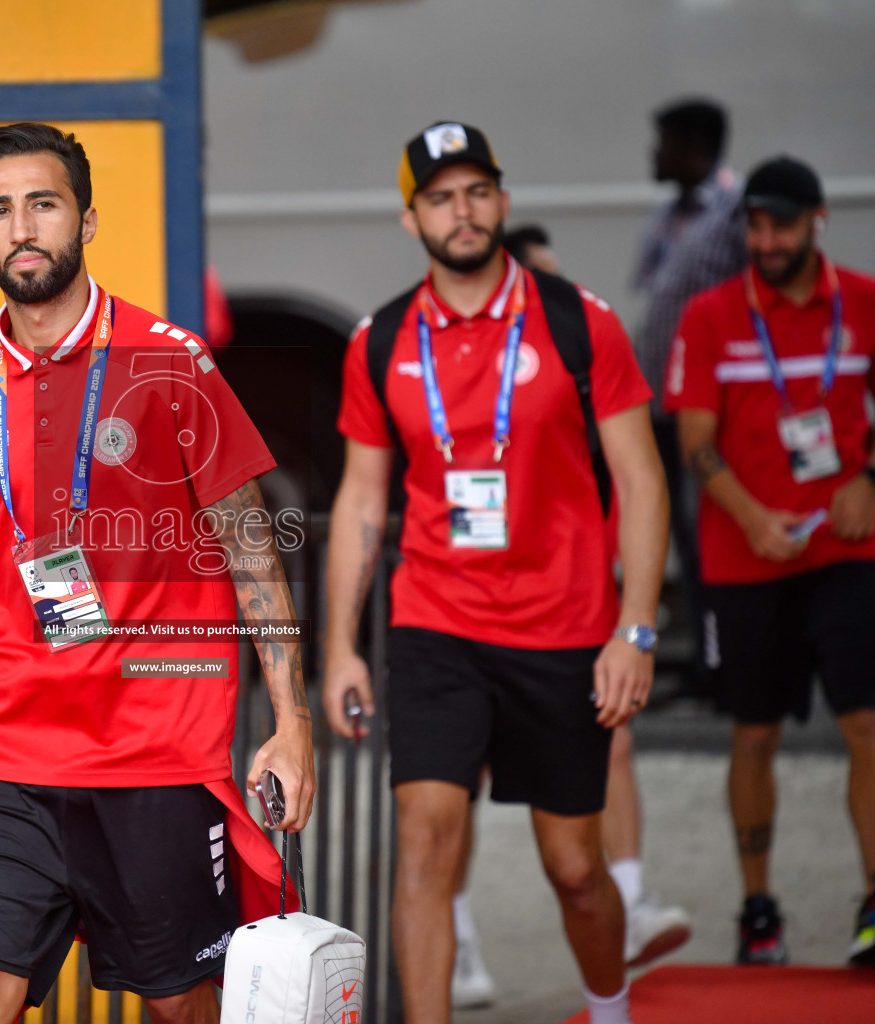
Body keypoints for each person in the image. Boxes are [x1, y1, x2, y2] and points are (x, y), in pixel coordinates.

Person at [0, 122, 316, 1023]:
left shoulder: (169, 361)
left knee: (180, 1005)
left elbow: (247, 544)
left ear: (84, 218)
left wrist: (291, 720)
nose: (22, 227)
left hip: (152, 749)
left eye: (43, 203)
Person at [324, 122, 668, 1024]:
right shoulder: (381, 340)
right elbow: (364, 499)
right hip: (437, 622)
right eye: (441, 197)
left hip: (565, 627)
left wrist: (635, 628)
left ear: (503, 203)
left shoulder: (575, 319)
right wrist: (339, 651)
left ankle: (613, 1007)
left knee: (575, 870)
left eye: (477, 192)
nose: (462, 211)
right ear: (412, 219)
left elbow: (640, 477)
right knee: (426, 837)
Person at [666, 155, 875, 968]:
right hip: (747, 562)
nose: (765, 239)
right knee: (754, 733)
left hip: (850, 549)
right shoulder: (710, 315)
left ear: (818, 220)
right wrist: (751, 519)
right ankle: (758, 910)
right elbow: (695, 443)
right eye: (753, 224)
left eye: (780, 223)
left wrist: (872, 479)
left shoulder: (869, 304)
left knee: (868, 720)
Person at [446, 225, 693, 1011]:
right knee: (454, 788)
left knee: (611, 749)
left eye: (557, 283)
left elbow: (634, 485)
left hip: (572, 609)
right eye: (536, 283)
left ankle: (629, 900)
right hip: (466, 613)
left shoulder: (579, 357)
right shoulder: (446, 369)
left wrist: (633, 620)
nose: (553, 301)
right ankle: (458, 939)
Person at [633, 98, 747, 699]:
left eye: (667, 142)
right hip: (661, 406)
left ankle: (726, 663)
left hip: (708, 409)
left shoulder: (733, 213)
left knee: (712, 536)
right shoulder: (668, 216)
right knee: (682, 534)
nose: (657, 154)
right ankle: (708, 662)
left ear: (697, 147)